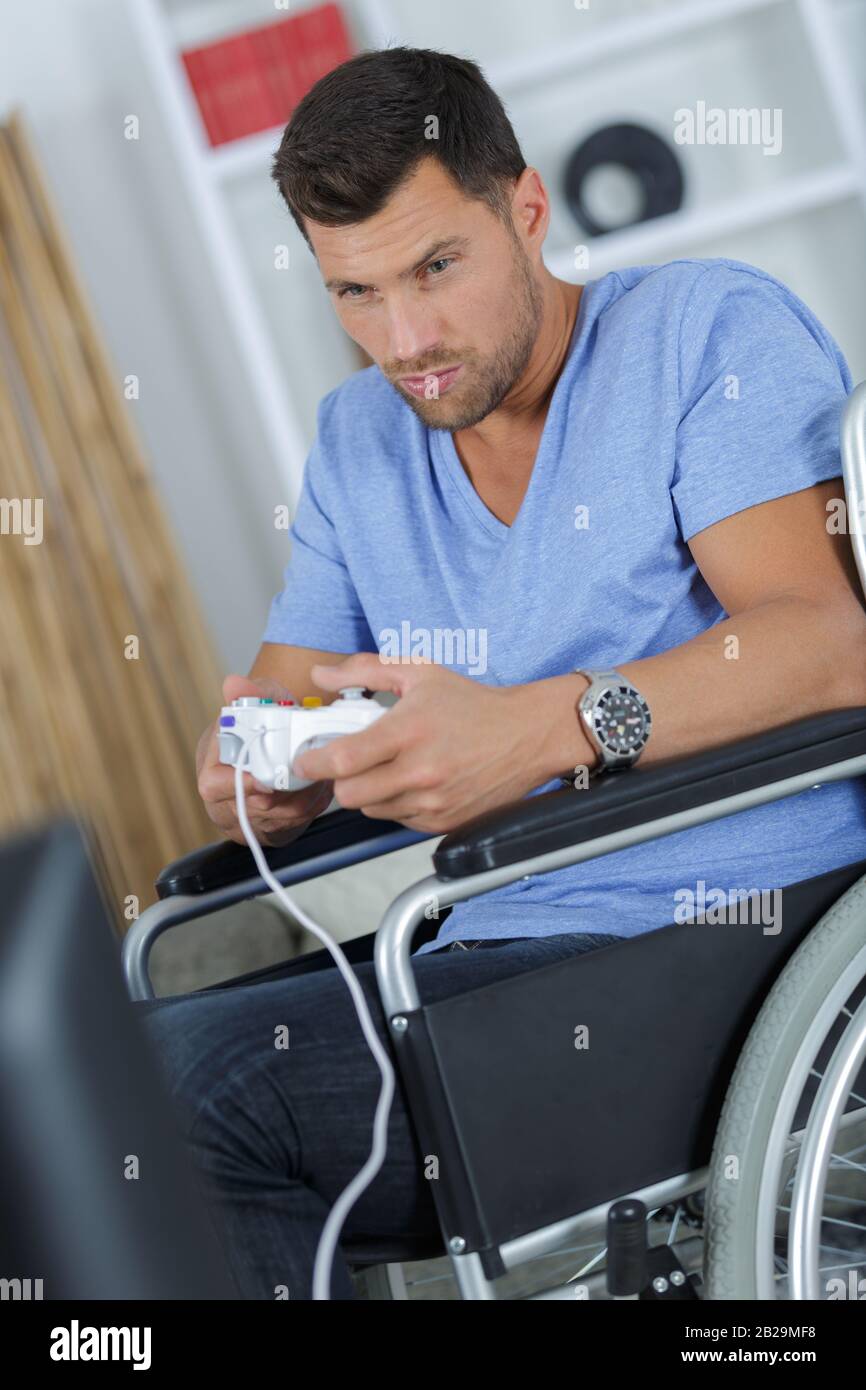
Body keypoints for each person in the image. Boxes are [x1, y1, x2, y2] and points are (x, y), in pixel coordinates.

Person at [135, 46, 866, 1300]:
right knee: (121, 1081)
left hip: (721, 938)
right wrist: (276, 770)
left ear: (524, 209)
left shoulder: (704, 335)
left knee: (193, 1101)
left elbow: (825, 642)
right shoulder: (360, 438)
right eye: (353, 292)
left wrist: (538, 732)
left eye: (434, 268)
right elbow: (279, 698)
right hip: (487, 945)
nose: (404, 339)